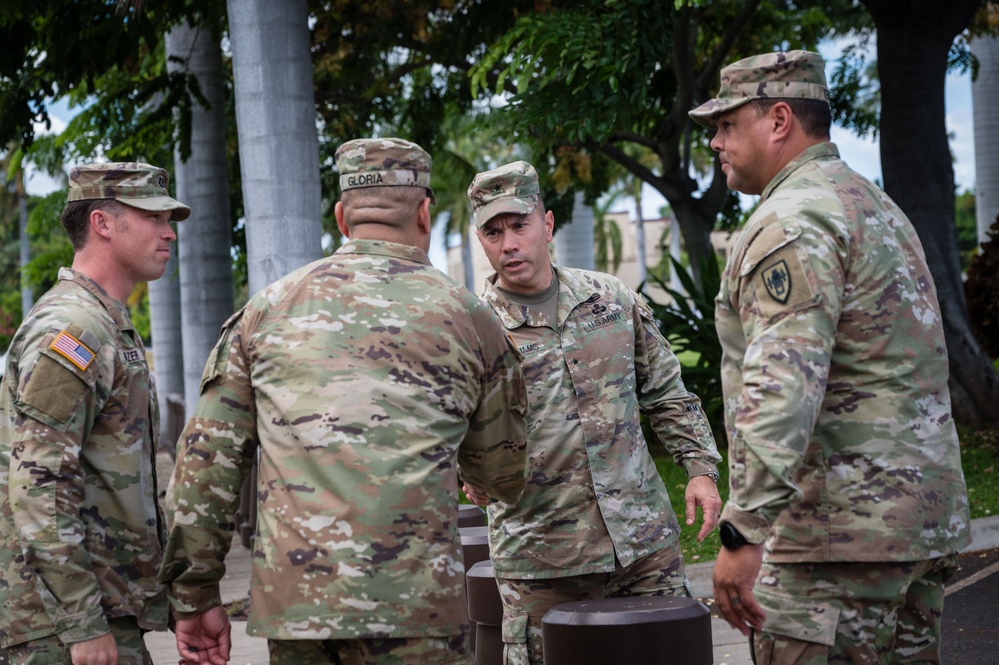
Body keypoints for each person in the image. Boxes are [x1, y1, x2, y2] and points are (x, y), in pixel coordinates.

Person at [158, 137, 529, 665]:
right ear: (425, 214)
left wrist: (193, 595)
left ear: (340, 217)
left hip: (298, 606)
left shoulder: (264, 312)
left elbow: (204, 469)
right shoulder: (472, 318)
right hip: (416, 606)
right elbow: (501, 477)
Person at [689, 50, 973, 663]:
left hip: (832, 544)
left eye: (726, 124)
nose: (715, 141)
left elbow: (783, 384)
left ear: (780, 119)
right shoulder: (875, 206)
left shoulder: (792, 219)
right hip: (914, 528)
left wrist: (743, 532)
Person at [463, 160, 723, 665]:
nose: (509, 243)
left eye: (520, 225)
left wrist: (700, 470)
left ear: (548, 223)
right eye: (493, 232)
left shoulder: (610, 298)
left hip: (643, 546)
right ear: (481, 240)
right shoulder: (474, 329)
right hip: (543, 560)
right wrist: (469, 467)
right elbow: (450, 423)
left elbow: (666, 391)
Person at [0, 162, 190, 664]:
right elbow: (40, 485)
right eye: (152, 217)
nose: (168, 231)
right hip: (58, 628)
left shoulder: (104, 323)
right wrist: (82, 622)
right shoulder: (74, 330)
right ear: (102, 223)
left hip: (98, 612)